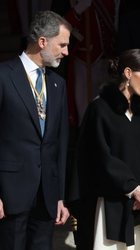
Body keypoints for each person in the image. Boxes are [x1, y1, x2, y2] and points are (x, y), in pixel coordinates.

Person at [76, 48, 140, 250]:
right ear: (128, 73)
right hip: (112, 204)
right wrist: (132, 189)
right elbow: (99, 156)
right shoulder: (100, 110)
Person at [0, 10, 71, 250]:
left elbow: (60, 142)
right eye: (62, 44)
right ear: (42, 42)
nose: (66, 52)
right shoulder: (3, 75)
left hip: (47, 196)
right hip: (10, 194)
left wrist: (60, 195)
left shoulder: (57, 83)